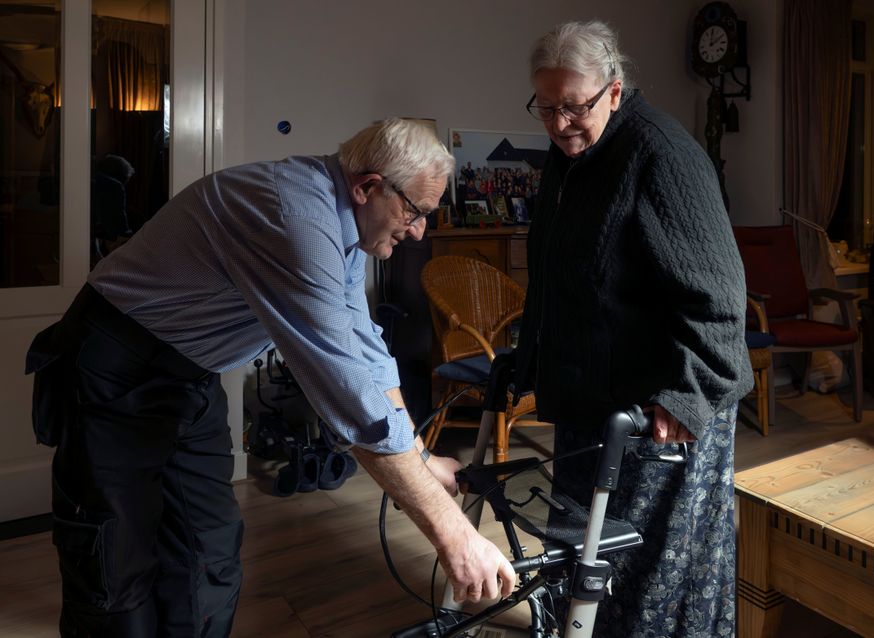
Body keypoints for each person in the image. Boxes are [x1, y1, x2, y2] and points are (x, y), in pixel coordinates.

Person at [25, 118, 515, 637]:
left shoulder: (346, 222)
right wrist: (454, 536)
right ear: (369, 187)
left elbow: (365, 351)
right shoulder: (296, 218)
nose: (418, 230)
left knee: (208, 551)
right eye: (415, 212)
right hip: (114, 361)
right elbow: (346, 394)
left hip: (191, 374)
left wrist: (418, 453)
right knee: (114, 563)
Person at [514, 21, 753, 637]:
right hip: (588, 396)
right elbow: (556, 268)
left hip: (660, 404)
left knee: (648, 575)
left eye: (574, 106)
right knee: (582, 560)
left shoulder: (662, 155)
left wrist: (688, 390)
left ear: (614, 92)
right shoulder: (571, 157)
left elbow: (723, 296)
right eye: (546, 107)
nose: (559, 123)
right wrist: (528, 353)